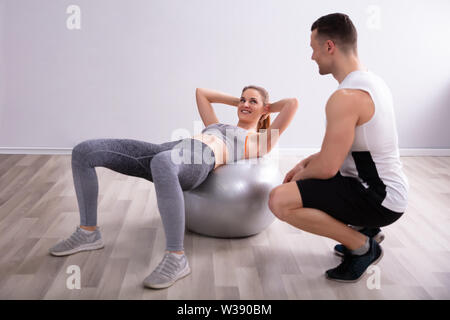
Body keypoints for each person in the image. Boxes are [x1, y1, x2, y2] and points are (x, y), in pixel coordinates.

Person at [49, 86, 298, 289]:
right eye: (242, 99)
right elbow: (202, 93)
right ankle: (88, 231)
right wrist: (241, 101)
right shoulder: (217, 124)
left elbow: (292, 103)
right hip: (169, 149)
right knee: (84, 151)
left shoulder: (260, 141)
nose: (244, 104)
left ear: (264, 109)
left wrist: (265, 107)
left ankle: (176, 258)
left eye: (251, 101)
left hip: (197, 159)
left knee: (162, 161)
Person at [268, 13, 409, 282]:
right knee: (308, 175)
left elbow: (328, 167)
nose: (312, 57)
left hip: (379, 198)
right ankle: (366, 229)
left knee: (279, 200)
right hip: (388, 189)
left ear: (329, 46)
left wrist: (297, 178)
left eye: (313, 48)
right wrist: (305, 162)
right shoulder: (372, 82)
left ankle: (362, 247)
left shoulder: (345, 97)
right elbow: (351, 148)